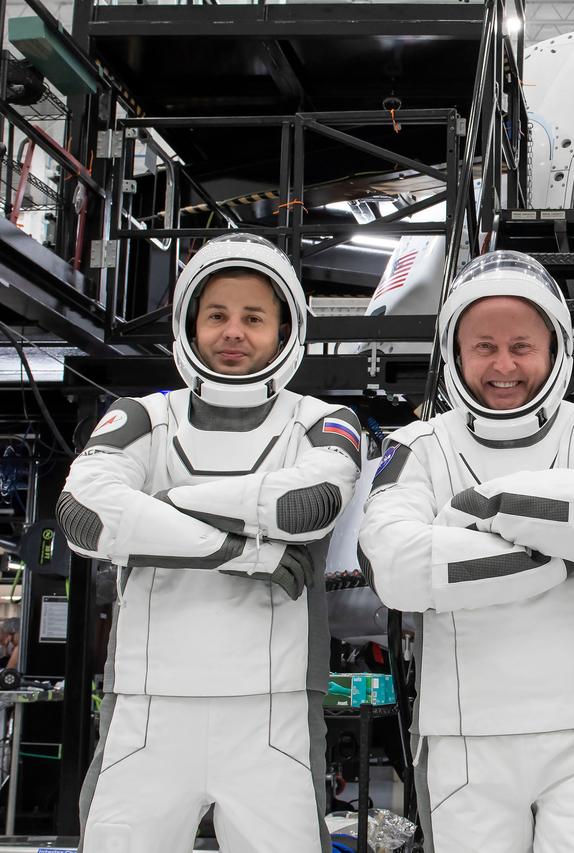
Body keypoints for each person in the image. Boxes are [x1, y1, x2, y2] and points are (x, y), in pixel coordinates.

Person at [58, 233, 362, 852]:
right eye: (217, 315)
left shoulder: (322, 420)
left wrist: (159, 505)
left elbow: (307, 505)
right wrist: (244, 551)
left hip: (274, 710)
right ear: (190, 324)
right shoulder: (142, 415)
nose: (233, 332)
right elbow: (84, 514)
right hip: (146, 704)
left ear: (284, 330)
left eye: (254, 318)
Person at [357, 250, 574, 853]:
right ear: (454, 353)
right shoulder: (419, 444)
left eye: (522, 346)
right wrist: (554, 549)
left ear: (554, 348)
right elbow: (393, 566)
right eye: (484, 347)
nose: (503, 365)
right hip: (462, 740)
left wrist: (480, 509)